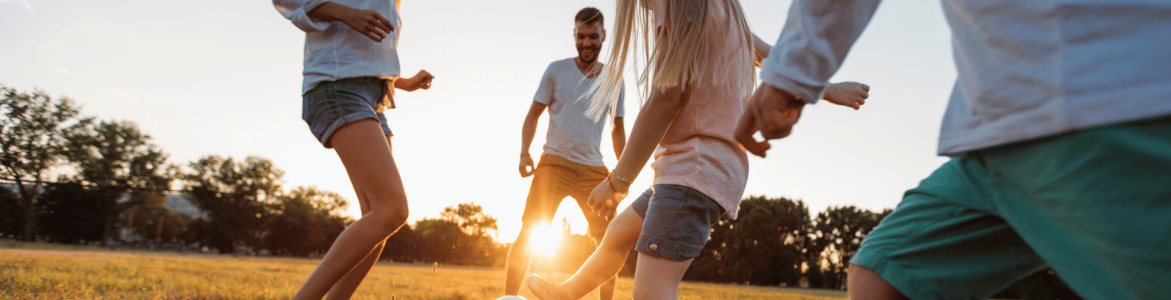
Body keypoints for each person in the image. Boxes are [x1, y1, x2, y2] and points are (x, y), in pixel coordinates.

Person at [735, 1, 1171, 299]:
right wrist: (792, 74)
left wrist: (792, 73)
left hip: (1113, 100)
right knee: (887, 273)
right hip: (994, 132)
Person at [525, 0, 869, 299]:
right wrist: (827, 89)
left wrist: (618, 181)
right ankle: (567, 292)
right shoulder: (719, 7)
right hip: (699, 169)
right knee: (617, 235)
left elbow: (664, 99)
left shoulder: (676, 4)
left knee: (650, 291)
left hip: (693, 169)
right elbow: (773, 58)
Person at [273, 0, 435, 299]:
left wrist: (405, 82)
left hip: (372, 97)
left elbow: (362, 57)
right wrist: (347, 13)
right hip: (337, 87)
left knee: (378, 220)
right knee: (391, 210)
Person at [503, 7, 627, 300]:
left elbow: (617, 130)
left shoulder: (613, 79)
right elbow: (533, 115)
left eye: (593, 37)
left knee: (610, 241)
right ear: (574, 35)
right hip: (553, 164)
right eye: (581, 36)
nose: (587, 43)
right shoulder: (556, 70)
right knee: (529, 232)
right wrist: (524, 153)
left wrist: (623, 174)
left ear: (603, 36)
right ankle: (509, 299)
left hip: (595, 172)